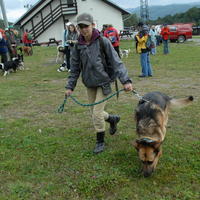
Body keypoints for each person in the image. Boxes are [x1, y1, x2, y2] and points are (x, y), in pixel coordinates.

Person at [65, 13, 133, 154]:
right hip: (90, 83)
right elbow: (75, 67)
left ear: (93, 25)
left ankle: (100, 141)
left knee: (96, 113)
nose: (84, 29)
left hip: (104, 82)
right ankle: (112, 119)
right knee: (95, 112)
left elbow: (116, 62)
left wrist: (125, 81)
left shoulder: (103, 41)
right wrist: (70, 86)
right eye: (81, 27)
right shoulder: (78, 46)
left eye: (86, 26)